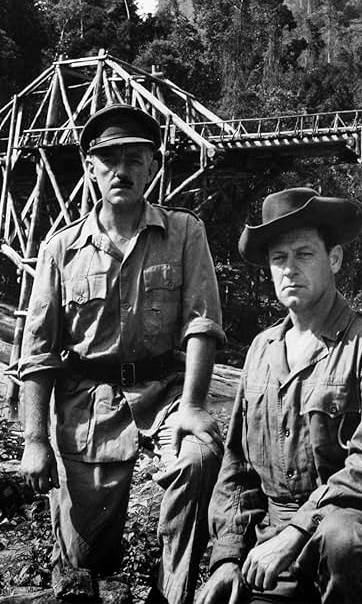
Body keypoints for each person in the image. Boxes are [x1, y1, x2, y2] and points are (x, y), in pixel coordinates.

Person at [18, 104, 226, 604]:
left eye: (134, 159)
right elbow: (38, 354)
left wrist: (194, 406)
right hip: (88, 406)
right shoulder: (61, 250)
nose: (121, 171)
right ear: (90, 167)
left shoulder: (184, 232)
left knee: (199, 458)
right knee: (87, 556)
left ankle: (171, 592)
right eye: (109, 160)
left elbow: (202, 325)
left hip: (165, 394)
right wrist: (35, 439)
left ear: (152, 167)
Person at [196, 187, 362, 604]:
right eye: (279, 258)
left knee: (345, 538)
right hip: (270, 544)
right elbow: (237, 468)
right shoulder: (261, 350)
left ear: (334, 259)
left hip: (346, 536)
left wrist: (298, 529)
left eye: (304, 254)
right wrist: (228, 556)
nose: (290, 269)